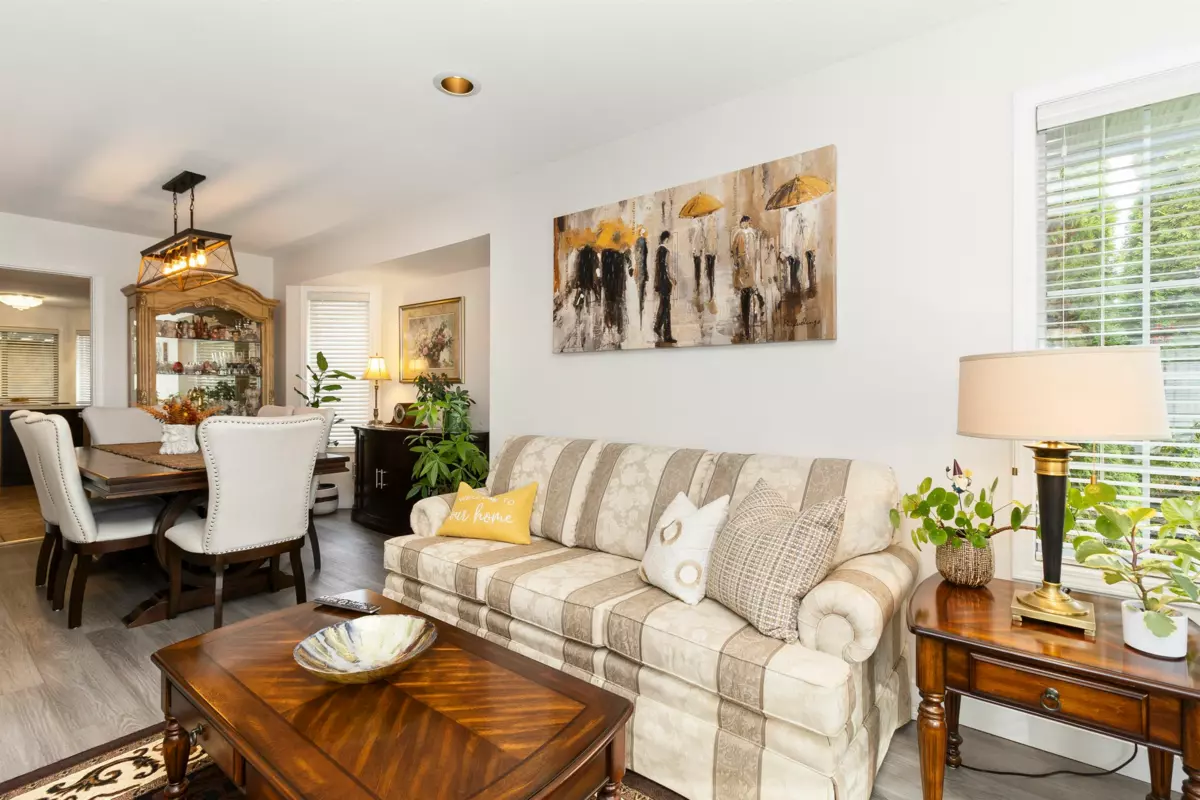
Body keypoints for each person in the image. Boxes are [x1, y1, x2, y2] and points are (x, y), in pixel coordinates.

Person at [731, 215, 762, 341]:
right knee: (745, 293)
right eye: (745, 222)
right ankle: (746, 319)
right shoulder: (739, 235)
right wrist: (737, 261)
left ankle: (748, 317)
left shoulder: (751, 234)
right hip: (744, 269)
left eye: (747, 223)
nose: (746, 224)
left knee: (748, 292)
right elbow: (734, 251)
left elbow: (755, 251)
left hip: (749, 268)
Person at [654, 230, 676, 344]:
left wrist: (657, 284)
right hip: (666, 283)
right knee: (666, 309)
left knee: (663, 306)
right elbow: (668, 269)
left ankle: (657, 326)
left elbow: (658, 269)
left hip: (660, 283)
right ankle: (667, 335)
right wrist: (672, 280)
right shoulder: (666, 251)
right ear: (666, 239)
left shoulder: (658, 251)